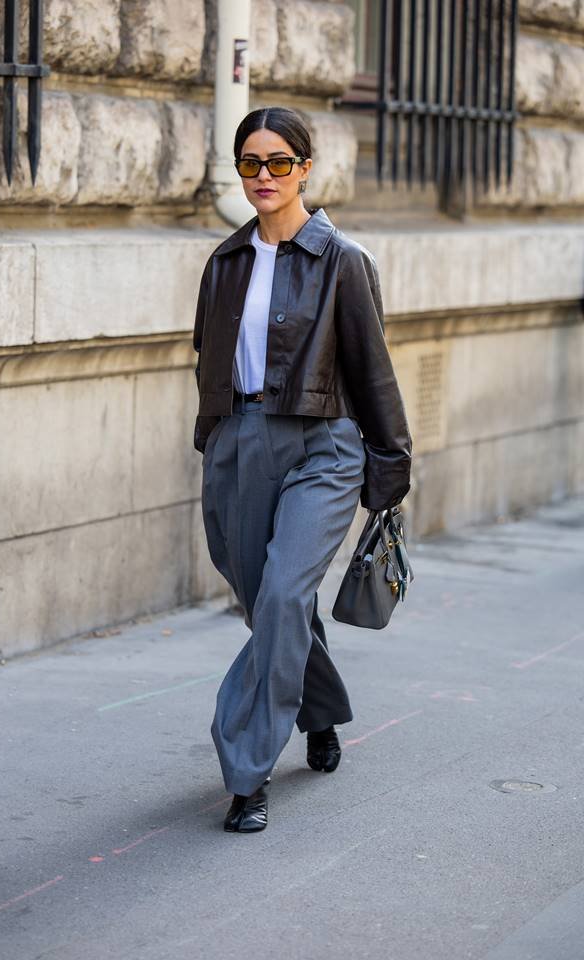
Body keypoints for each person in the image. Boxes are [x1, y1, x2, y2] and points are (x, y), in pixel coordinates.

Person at [192, 106, 412, 833]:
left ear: (305, 169)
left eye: (279, 162)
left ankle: (247, 768)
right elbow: (208, 359)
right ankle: (319, 710)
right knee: (266, 601)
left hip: (326, 442)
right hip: (242, 439)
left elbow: (373, 371)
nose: (263, 176)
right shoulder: (225, 262)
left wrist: (390, 466)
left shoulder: (342, 259)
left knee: (286, 591)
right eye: (250, 162)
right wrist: (214, 439)